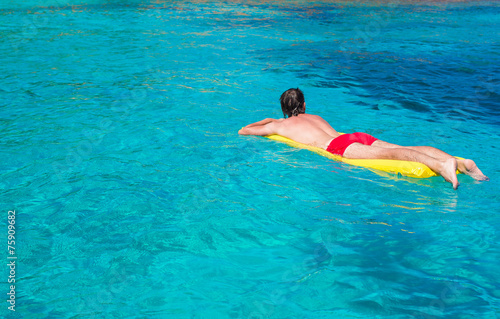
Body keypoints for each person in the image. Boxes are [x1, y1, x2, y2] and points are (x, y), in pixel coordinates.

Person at [238, 88, 488, 189]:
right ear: (304, 105)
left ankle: (441, 165)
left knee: (394, 155)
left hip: (336, 147)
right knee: (402, 147)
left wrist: (269, 121)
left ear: (283, 110)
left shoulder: (281, 126)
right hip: (353, 135)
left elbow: (244, 130)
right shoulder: (315, 116)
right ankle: (460, 162)